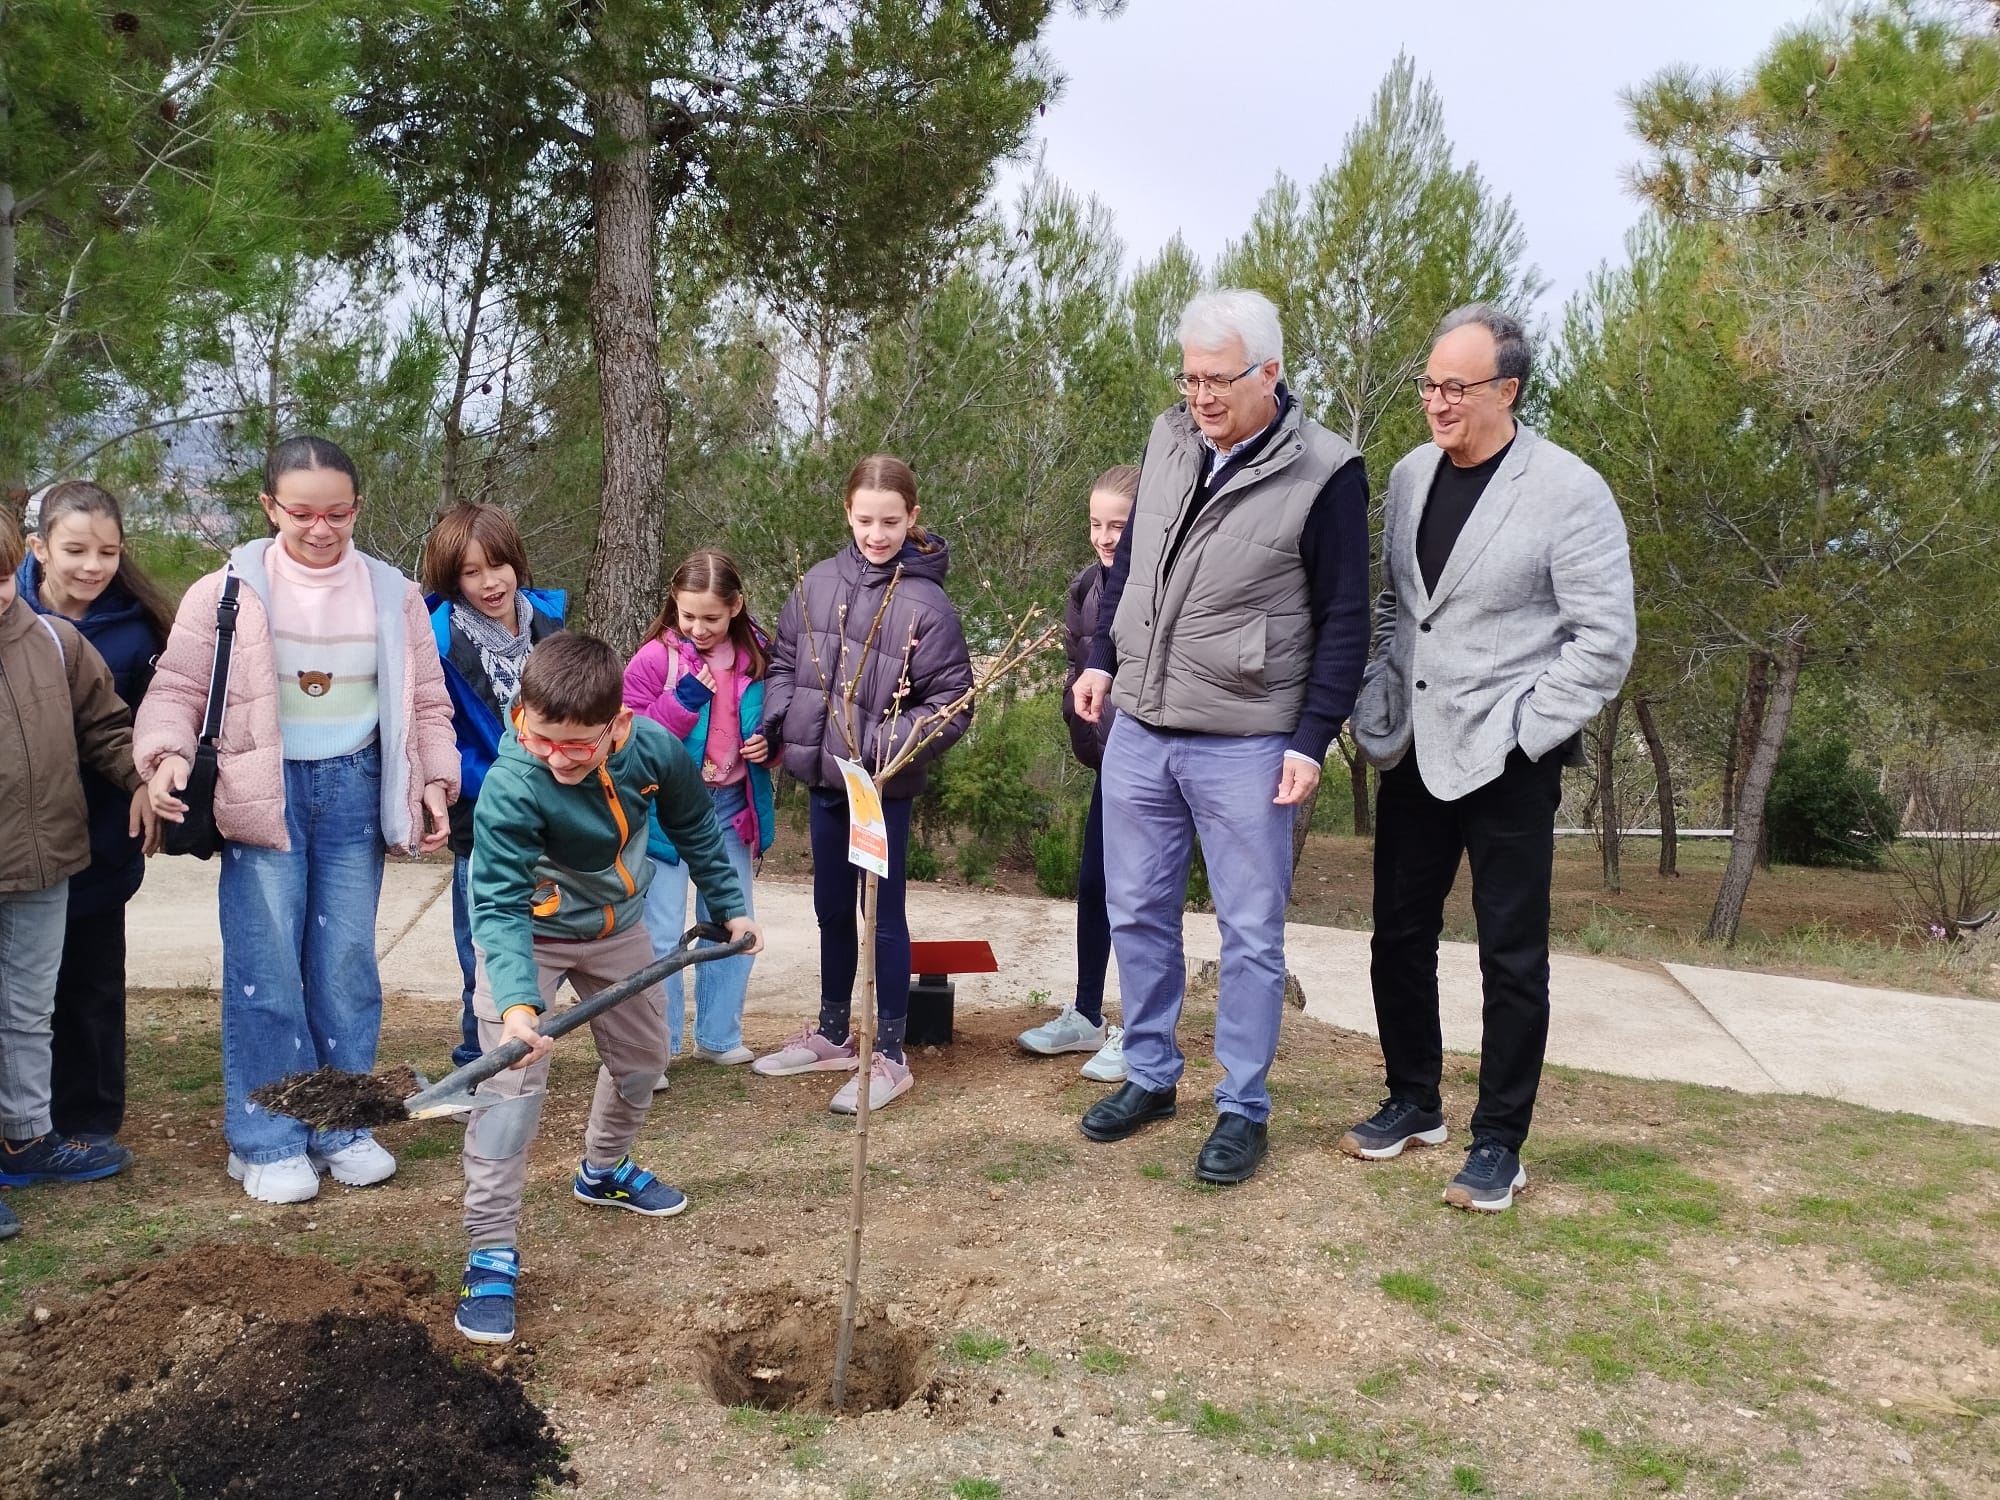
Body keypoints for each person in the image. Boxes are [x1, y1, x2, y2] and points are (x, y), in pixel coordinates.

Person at [1071, 288, 1370, 1186]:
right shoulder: (1168, 439)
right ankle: (1152, 1075)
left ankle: (1242, 1107)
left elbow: (1348, 617)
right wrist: (1099, 655)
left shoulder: (1327, 471)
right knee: (1136, 911)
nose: (1200, 397)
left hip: (1248, 738)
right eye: (1189, 377)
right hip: (1141, 727)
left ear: (1270, 374)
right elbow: (1126, 563)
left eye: (1218, 380)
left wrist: (1312, 738)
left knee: (1249, 934)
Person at [1347, 303, 1636, 1212]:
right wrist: (1377, 699)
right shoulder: (1407, 475)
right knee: (1398, 936)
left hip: (1510, 759)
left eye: (1457, 388)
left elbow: (1605, 639)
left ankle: (1499, 1142)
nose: (1437, 402)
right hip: (1414, 754)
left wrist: (1527, 729)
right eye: (1430, 384)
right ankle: (1414, 1099)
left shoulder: (1569, 489)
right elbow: (1399, 607)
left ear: (1506, 389)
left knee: (1512, 958)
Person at [137, 436, 458, 1206]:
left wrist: (436, 782)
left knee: (346, 966)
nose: (321, 528)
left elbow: (425, 702)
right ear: (269, 506)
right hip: (260, 789)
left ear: (357, 508)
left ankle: (341, 1125)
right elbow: (177, 690)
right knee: (266, 968)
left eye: (338, 512)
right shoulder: (225, 592)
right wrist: (165, 757)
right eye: (303, 512)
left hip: (356, 788)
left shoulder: (394, 593)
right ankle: (267, 1137)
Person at [456, 631, 762, 1345]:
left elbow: (695, 829)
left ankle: (602, 1170)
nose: (557, 759)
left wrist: (729, 907)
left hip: (616, 928)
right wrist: (517, 1005)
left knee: (643, 1063)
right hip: (529, 933)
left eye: (578, 745)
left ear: (618, 726)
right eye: (541, 740)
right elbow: (495, 903)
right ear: (523, 719)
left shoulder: (653, 749)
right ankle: (491, 1250)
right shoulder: (513, 784)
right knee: (509, 1093)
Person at [752, 454, 973, 1114]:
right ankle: (831, 1033)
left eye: (891, 521)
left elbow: (954, 702)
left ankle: (891, 1054)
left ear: (913, 517)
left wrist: (876, 749)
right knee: (828, 906)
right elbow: (785, 664)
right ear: (846, 513)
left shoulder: (928, 606)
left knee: (881, 916)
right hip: (821, 781)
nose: (877, 534)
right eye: (865, 519)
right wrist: (781, 721)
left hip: (880, 789)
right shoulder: (816, 584)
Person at [0, 507, 153, 1241]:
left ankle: (27, 1139)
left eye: (0, 578)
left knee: (28, 1014)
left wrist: (145, 781)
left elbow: (106, 729)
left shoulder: (55, 642)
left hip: (44, 863)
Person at [16, 483, 175, 1152]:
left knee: (90, 980)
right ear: (38, 548)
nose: (92, 566)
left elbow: (142, 728)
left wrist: (149, 781)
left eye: (107, 551)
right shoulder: (10, 613)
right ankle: (25, 1120)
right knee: (25, 990)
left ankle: (89, 1117)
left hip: (102, 830)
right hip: (19, 834)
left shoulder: (137, 631)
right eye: (75, 549)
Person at [422, 504, 566, 1070]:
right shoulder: (439, 644)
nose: (490, 582)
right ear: (452, 579)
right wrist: (508, 784)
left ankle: (527, 1043)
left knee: (546, 937)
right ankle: (475, 1061)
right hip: (482, 817)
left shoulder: (549, 626)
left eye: (500, 565)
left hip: (554, 816)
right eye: (472, 572)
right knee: (483, 947)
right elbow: (444, 737)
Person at [624, 551, 775, 1067]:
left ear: (735, 607)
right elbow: (633, 741)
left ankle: (719, 1037)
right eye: (688, 615)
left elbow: (780, 720)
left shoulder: (758, 661)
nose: (698, 627)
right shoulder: (653, 659)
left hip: (733, 808)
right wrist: (684, 701)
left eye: (711, 617)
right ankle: (655, 1050)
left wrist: (769, 746)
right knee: (660, 931)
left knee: (733, 920)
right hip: (665, 810)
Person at [1019, 465, 1138, 1082]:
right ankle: (1088, 1013)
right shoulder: (1085, 588)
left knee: (1142, 898)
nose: (1105, 535)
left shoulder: (1157, 583)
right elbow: (1078, 678)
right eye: (1096, 523)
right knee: (1093, 887)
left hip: (1157, 768)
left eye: (1118, 524)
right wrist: (1092, 747)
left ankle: (1144, 1031)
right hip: (1109, 765)